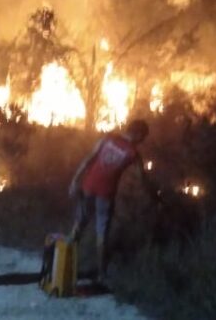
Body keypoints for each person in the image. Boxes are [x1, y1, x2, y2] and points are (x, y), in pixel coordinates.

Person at [67, 119, 159, 282]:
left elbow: (89, 159)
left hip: (88, 186)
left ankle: (64, 265)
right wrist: (154, 195)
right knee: (102, 233)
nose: (142, 141)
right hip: (106, 194)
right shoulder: (133, 153)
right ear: (137, 134)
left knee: (79, 225)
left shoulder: (107, 139)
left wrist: (75, 181)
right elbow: (142, 179)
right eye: (142, 137)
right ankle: (101, 274)